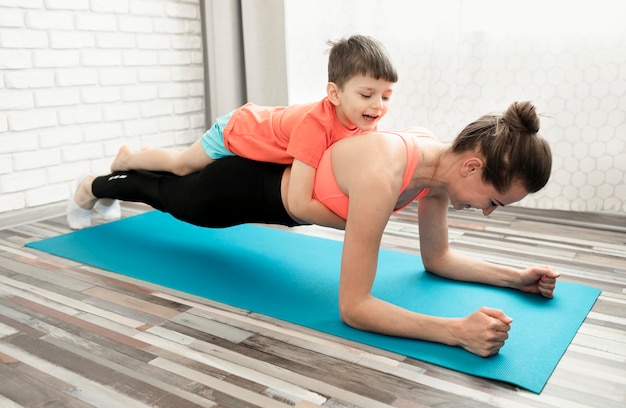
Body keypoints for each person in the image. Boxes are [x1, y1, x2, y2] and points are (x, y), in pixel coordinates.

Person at [68, 101, 559, 357]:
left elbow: (438, 260)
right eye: (495, 201)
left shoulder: (435, 172)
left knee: (169, 189)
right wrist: (456, 332)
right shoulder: (383, 173)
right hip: (241, 188)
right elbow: (355, 307)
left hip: (280, 197)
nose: (490, 211)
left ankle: (121, 173)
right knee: (168, 196)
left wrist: (513, 277)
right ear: (473, 168)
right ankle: (96, 183)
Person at [93, 34, 397, 231]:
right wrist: (354, 224)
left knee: (181, 168)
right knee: (181, 166)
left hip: (260, 138)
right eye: (367, 94)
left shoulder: (362, 121)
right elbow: (299, 200)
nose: (377, 106)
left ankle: (139, 159)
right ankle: (129, 159)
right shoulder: (315, 125)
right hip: (236, 131)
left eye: (385, 96)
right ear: (334, 93)